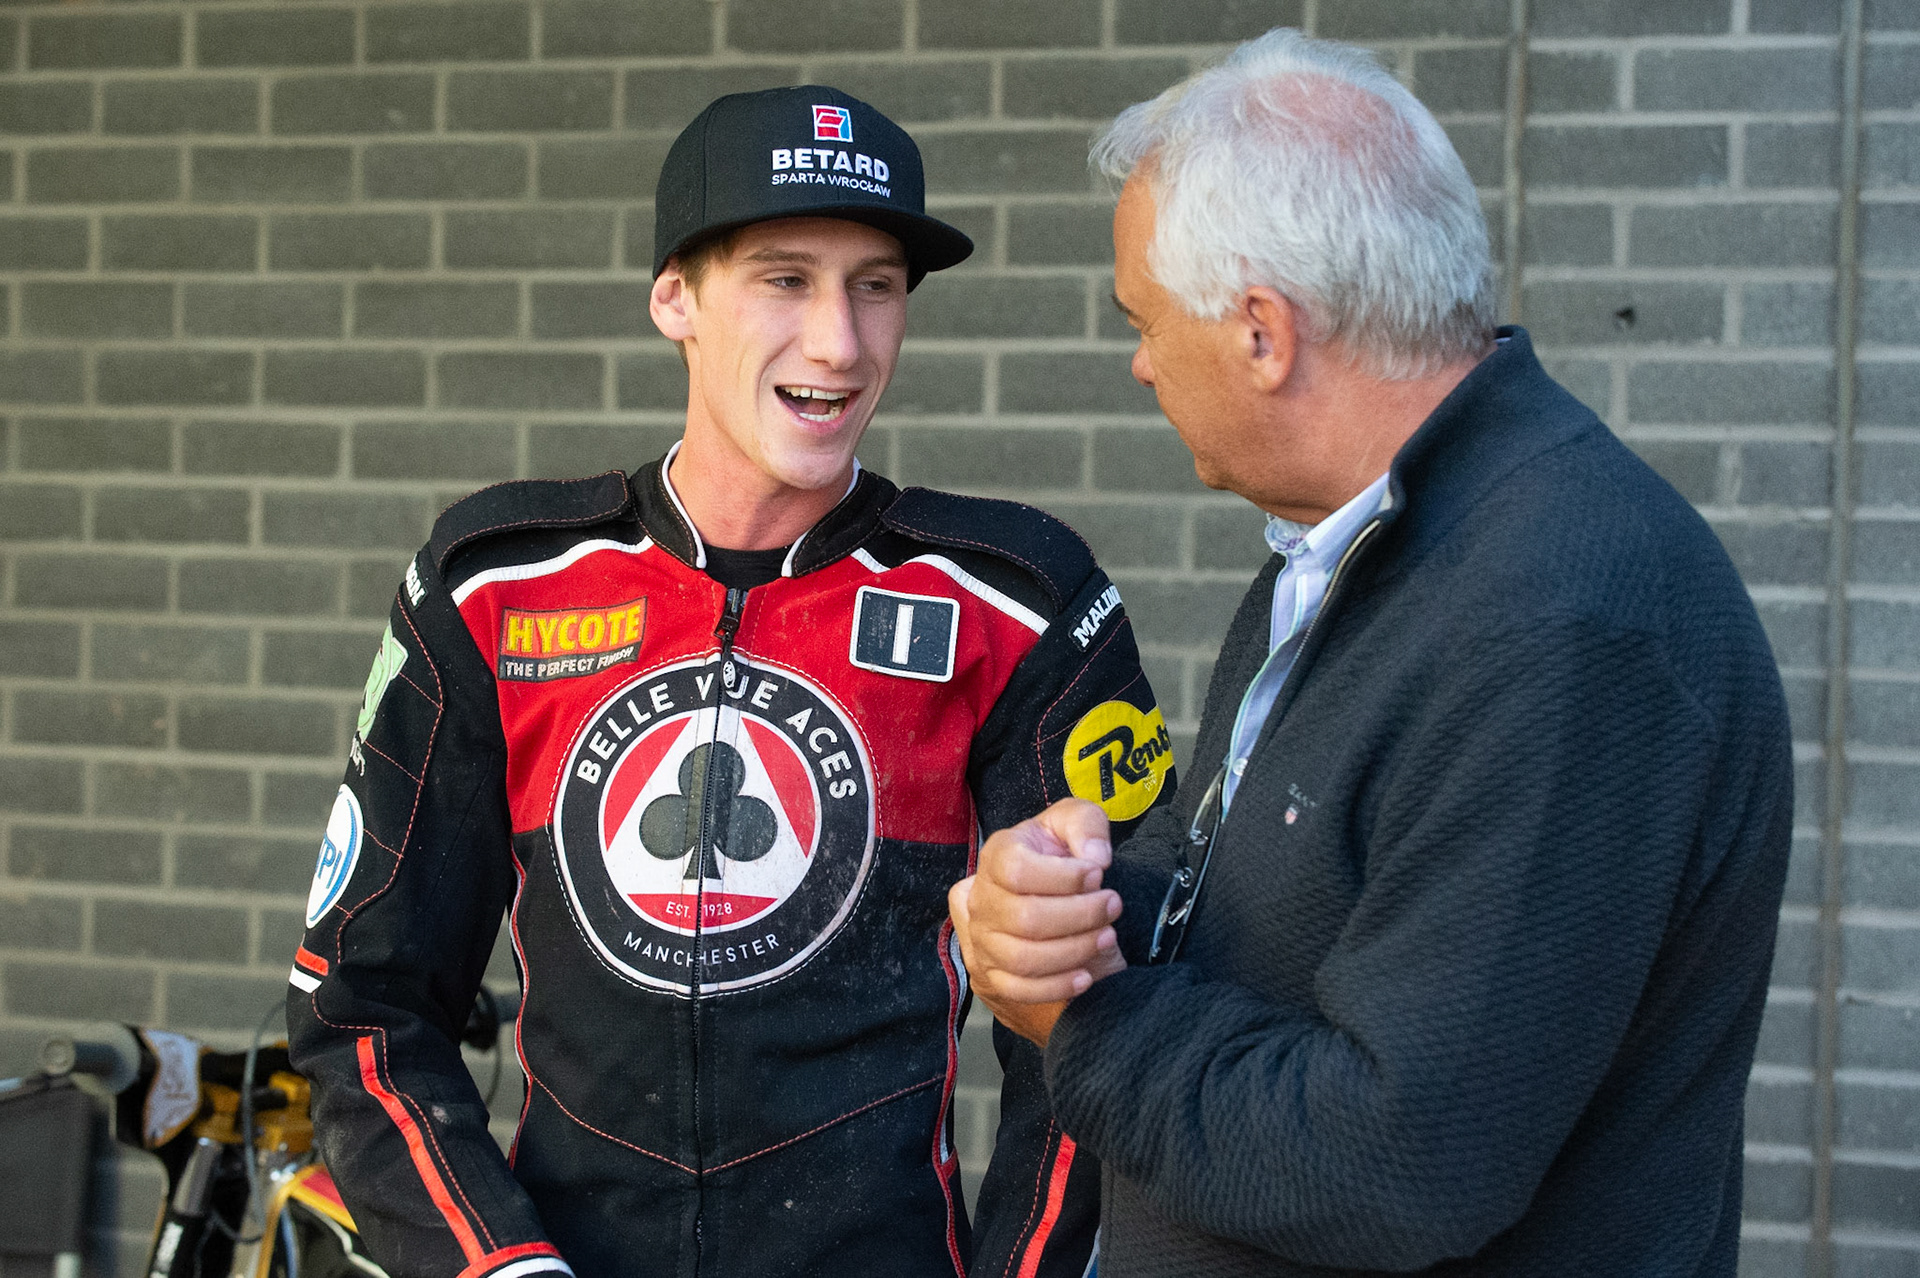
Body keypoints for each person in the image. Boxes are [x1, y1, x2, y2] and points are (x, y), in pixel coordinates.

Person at [287, 86, 1174, 1278]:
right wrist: (492, 1266)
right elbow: (362, 1007)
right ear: (675, 299)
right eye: (785, 278)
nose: (840, 344)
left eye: (877, 285)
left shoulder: (1019, 597)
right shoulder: (493, 580)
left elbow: (1103, 1032)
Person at [950, 30, 1793, 1277]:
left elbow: (1396, 1163)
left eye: (1143, 317)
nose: (1136, 361)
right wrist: (1078, 906)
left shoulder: (1563, 622)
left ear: (1260, 333)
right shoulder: (1359, 543)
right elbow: (1271, 912)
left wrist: (1079, 1023)